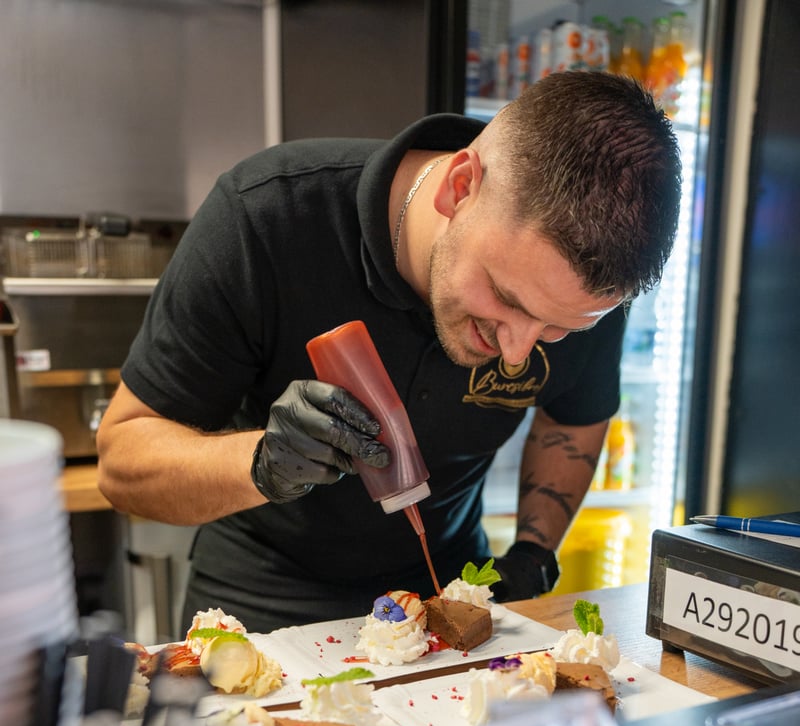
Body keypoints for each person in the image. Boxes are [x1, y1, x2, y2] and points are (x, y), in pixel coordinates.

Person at [97, 70, 681, 635]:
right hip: (263, 601)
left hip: (446, 593)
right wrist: (261, 461)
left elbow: (574, 420)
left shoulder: (582, 285)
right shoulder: (265, 217)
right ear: (460, 187)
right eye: (505, 298)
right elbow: (122, 462)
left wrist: (534, 549)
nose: (516, 350)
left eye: (556, 329)